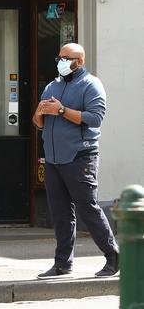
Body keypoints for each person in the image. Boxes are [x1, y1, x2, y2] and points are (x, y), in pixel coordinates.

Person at [32, 42, 119, 279]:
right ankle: (62, 264)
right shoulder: (53, 85)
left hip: (80, 157)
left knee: (87, 208)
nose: (61, 61)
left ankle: (113, 256)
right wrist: (39, 114)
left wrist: (61, 111)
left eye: (66, 57)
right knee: (60, 214)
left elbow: (95, 118)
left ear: (78, 61)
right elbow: (40, 123)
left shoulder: (91, 85)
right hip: (53, 159)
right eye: (59, 57)